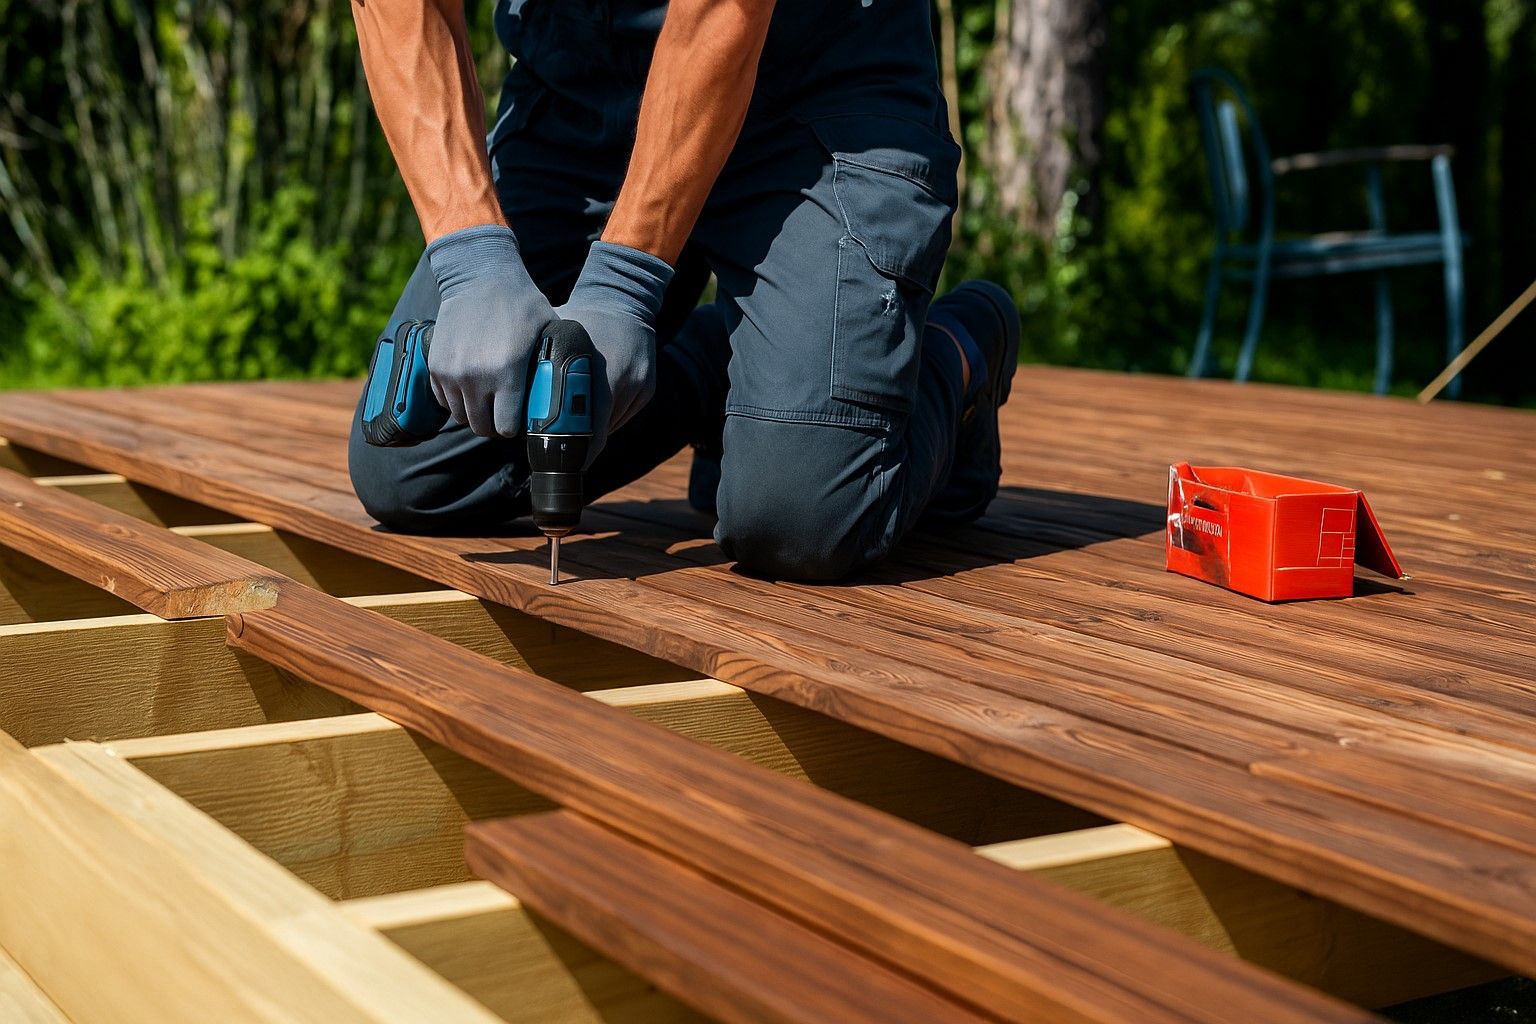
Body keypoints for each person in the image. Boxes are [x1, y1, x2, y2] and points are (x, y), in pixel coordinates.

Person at [346, 0, 1020, 581]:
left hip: (816, 92)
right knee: (414, 473)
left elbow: (722, 13)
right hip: (582, 89)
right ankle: (725, 373)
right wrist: (472, 257)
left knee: (802, 518)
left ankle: (961, 349)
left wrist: (624, 283)